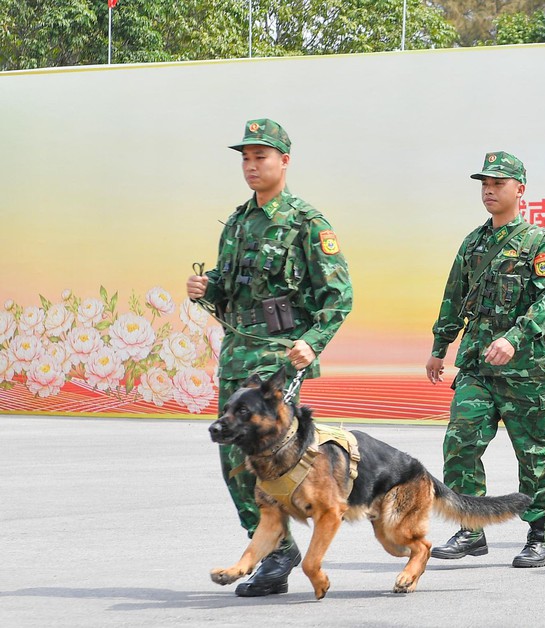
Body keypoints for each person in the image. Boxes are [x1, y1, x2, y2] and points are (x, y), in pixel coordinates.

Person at [186, 118, 354, 596]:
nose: (252, 165)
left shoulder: (307, 223)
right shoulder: (238, 222)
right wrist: (207, 288)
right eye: (245, 157)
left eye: (261, 156)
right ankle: (275, 552)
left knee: (276, 461)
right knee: (233, 463)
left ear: (284, 160)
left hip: (280, 363)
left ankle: (278, 559)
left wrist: (313, 342)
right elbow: (229, 287)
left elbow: (338, 297)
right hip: (238, 359)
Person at [425, 151, 545, 568]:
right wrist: (440, 347)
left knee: (533, 454)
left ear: (519, 190)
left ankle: (540, 535)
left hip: (526, 370)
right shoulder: (473, 242)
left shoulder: (539, 244)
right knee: (460, 443)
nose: (489, 190)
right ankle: (471, 529)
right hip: (477, 366)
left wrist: (515, 336)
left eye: (499, 183)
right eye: (485, 184)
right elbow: (454, 297)